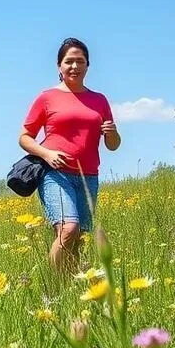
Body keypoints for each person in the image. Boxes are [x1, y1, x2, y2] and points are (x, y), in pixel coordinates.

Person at [19, 37, 120, 275]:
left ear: (88, 65)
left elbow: (113, 145)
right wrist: (47, 153)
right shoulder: (47, 97)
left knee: (80, 239)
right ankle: (53, 288)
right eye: (69, 61)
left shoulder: (99, 100)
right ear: (59, 66)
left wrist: (113, 133)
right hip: (55, 174)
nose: (75, 66)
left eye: (80, 61)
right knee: (68, 229)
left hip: (88, 177)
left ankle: (70, 286)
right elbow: (24, 137)